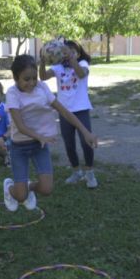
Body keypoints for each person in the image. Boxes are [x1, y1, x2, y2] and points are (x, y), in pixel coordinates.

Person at [3, 54, 97, 212]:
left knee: (46, 189)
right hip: (19, 147)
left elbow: (65, 112)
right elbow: (20, 126)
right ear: (15, 78)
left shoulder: (42, 88)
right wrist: (40, 137)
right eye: (27, 79)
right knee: (20, 197)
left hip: (39, 145)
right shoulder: (12, 93)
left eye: (34, 78)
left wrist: (85, 132)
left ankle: (27, 188)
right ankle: (10, 189)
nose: (32, 83)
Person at [40, 39, 97, 188]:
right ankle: (76, 171)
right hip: (65, 111)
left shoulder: (82, 64)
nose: (68, 53)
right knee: (69, 143)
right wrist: (42, 61)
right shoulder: (58, 67)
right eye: (65, 50)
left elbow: (81, 74)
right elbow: (43, 77)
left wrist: (71, 58)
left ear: (78, 53)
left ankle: (89, 172)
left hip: (81, 109)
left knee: (86, 142)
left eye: (72, 51)